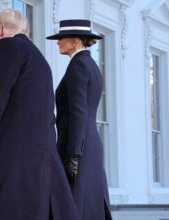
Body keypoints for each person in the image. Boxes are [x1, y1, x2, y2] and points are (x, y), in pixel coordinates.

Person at [0, 9, 78, 219]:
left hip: (13, 159)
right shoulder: (38, 58)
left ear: (2, 29)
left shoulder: (7, 46)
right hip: (40, 160)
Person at [46, 19, 112, 220]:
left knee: (75, 210)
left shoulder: (78, 66)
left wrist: (73, 156)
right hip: (87, 145)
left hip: (77, 148)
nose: (58, 42)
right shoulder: (90, 64)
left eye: (61, 38)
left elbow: (79, 112)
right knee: (88, 208)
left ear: (75, 41)